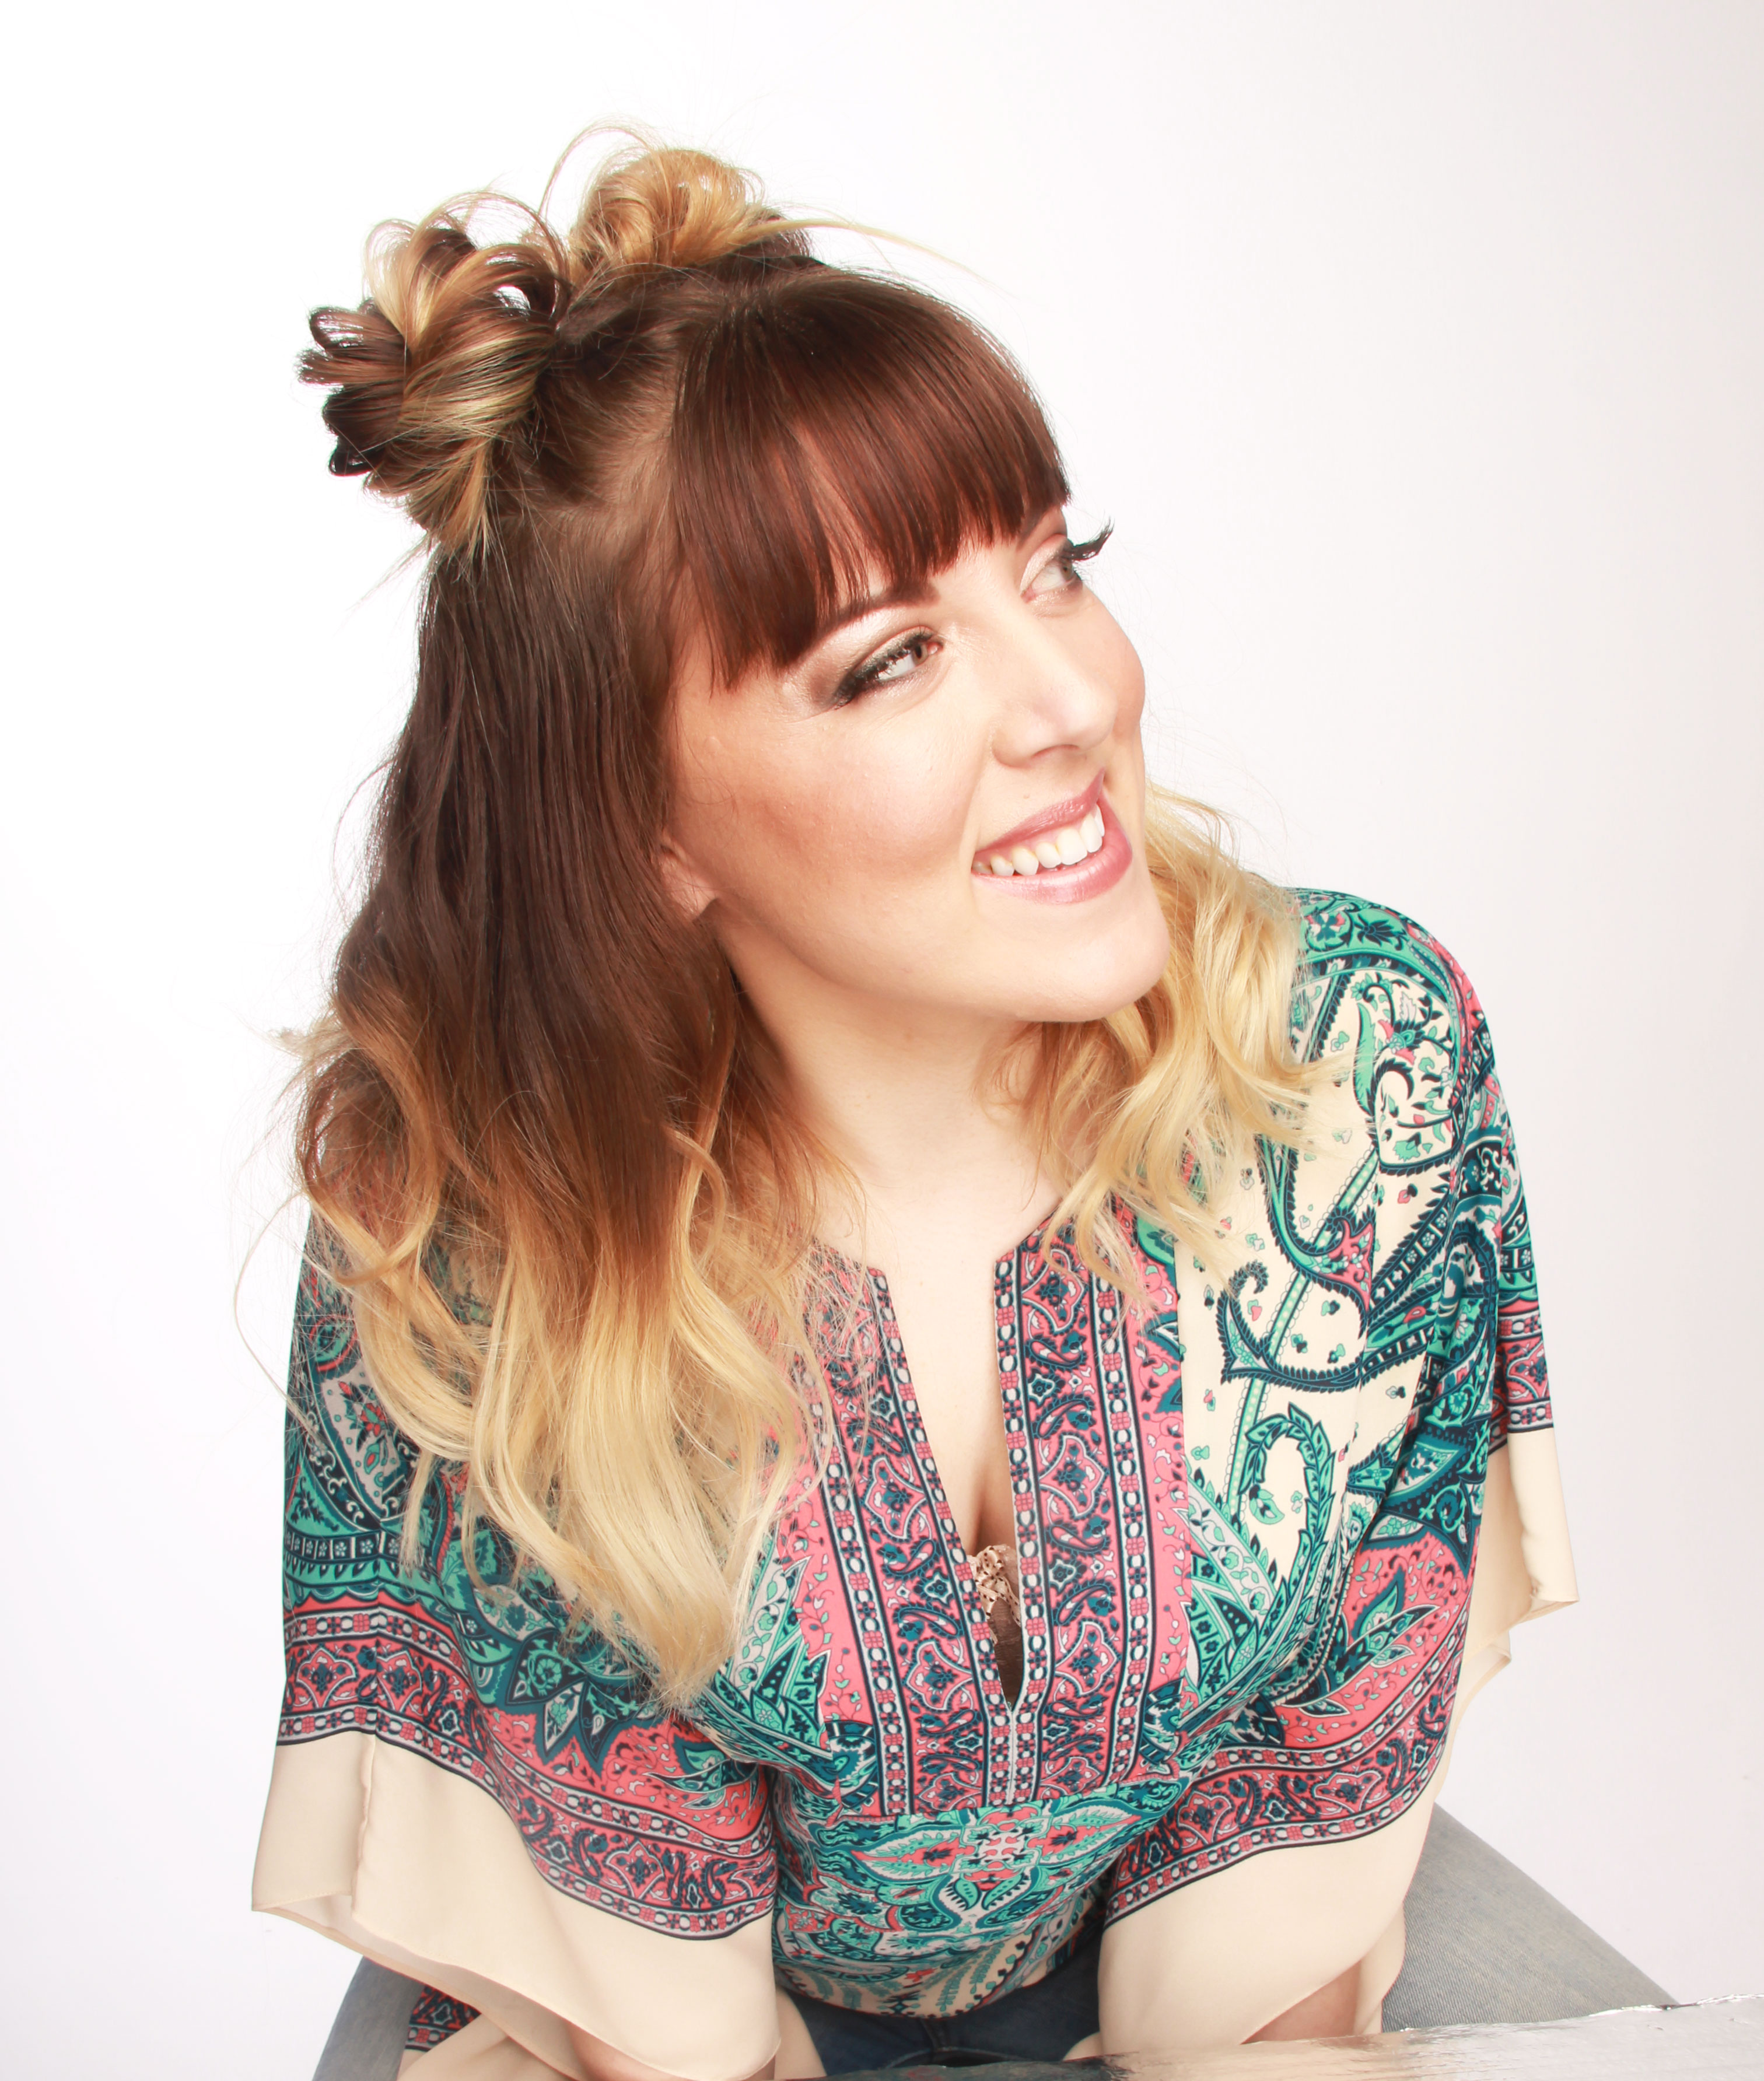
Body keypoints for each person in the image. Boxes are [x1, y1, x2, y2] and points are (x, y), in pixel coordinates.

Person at [253, 134, 1583, 2080]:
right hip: (620, 1993)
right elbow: (650, 2009)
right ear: (646, 826)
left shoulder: (1360, 1060)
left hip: (1246, 1909)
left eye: (1055, 563)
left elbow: (1320, 1761)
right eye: (891, 660)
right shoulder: (468, 1212)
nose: (1071, 702)